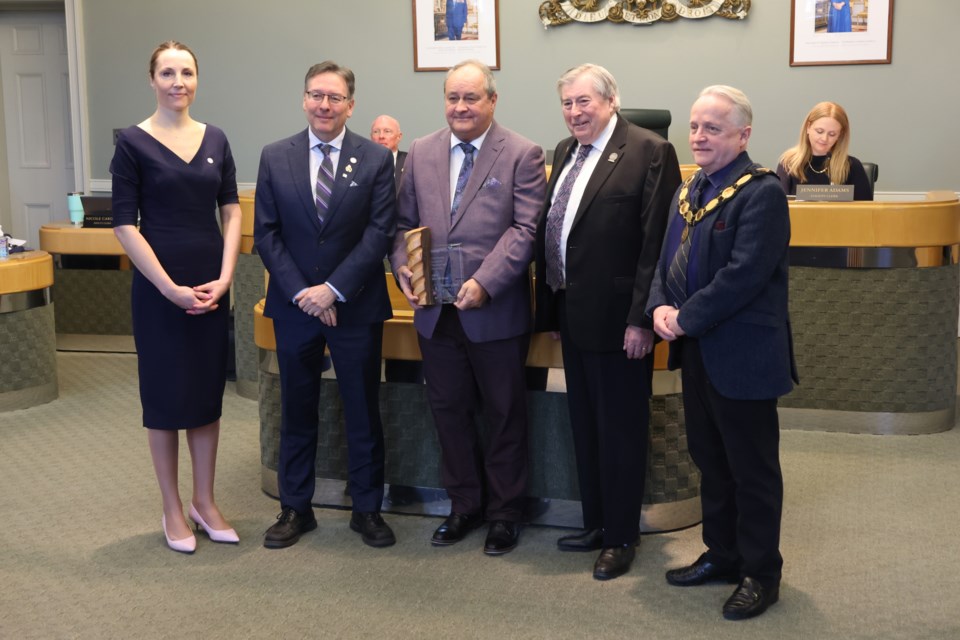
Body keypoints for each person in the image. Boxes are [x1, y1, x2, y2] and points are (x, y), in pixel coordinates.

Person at [647, 85, 798, 620]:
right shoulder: (688, 192)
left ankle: (762, 572)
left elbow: (744, 276)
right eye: (694, 126)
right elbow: (667, 259)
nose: (699, 136)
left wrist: (683, 318)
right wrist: (660, 306)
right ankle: (724, 553)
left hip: (744, 356)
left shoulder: (763, 193)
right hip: (698, 353)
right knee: (711, 461)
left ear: (743, 135)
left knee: (752, 469)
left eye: (712, 127)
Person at [389, 59, 546, 555]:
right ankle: (464, 506)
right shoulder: (420, 151)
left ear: (492, 101)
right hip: (436, 313)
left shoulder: (522, 153)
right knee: (448, 411)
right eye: (453, 98)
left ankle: (504, 512)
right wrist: (403, 270)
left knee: (503, 413)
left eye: (471, 98)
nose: (460, 106)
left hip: (493, 311)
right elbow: (402, 225)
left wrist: (485, 282)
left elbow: (525, 231)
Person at [533, 63, 681, 580]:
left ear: (611, 101)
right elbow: (557, 235)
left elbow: (656, 246)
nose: (575, 112)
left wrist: (641, 319)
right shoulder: (564, 151)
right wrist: (550, 308)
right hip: (573, 316)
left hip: (623, 323)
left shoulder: (649, 151)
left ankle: (621, 536)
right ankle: (596, 522)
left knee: (620, 430)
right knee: (586, 426)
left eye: (584, 102)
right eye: (568, 104)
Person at [254, 61, 397, 549]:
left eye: (335, 98)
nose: (324, 105)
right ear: (303, 99)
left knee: (361, 410)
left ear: (350, 105)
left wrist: (332, 290)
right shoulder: (275, 156)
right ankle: (296, 508)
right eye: (316, 95)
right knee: (297, 409)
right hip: (295, 309)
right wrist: (305, 294)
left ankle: (367, 510)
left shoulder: (376, 159)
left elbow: (379, 233)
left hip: (354, 306)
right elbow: (268, 235)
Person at [111, 41, 241, 553]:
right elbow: (124, 224)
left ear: (196, 78)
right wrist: (168, 288)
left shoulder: (217, 138)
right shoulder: (132, 143)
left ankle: (203, 502)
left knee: (207, 396)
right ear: (152, 80)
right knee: (165, 400)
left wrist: (227, 276)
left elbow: (230, 209)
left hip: (210, 285)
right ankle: (171, 506)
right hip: (159, 288)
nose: (178, 81)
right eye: (167, 72)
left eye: (186, 72)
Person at [776, 101, 873, 201]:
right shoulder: (788, 163)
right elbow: (779, 209)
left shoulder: (852, 166)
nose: (824, 139)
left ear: (840, 135)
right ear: (808, 127)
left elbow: (867, 213)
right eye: (819, 131)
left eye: (832, 134)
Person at [371, 114, 406, 190]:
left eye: (387, 131)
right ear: (371, 137)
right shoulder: (362, 163)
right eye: (376, 132)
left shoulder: (410, 162)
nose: (381, 136)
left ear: (399, 136)